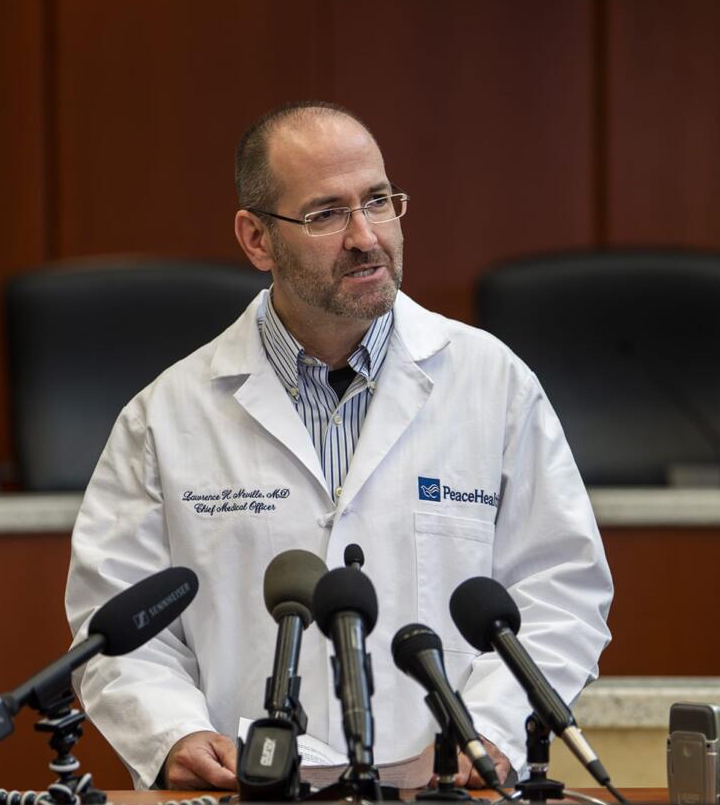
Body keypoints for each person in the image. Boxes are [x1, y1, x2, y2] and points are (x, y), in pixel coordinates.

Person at [65, 101, 613, 791]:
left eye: (378, 201)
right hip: (246, 787)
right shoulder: (166, 414)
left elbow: (564, 585)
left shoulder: (492, 382)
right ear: (257, 238)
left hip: (440, 786)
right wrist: (172, 730)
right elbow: (114, 615)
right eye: (326, 213)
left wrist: (489, 727)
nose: (366, 236)